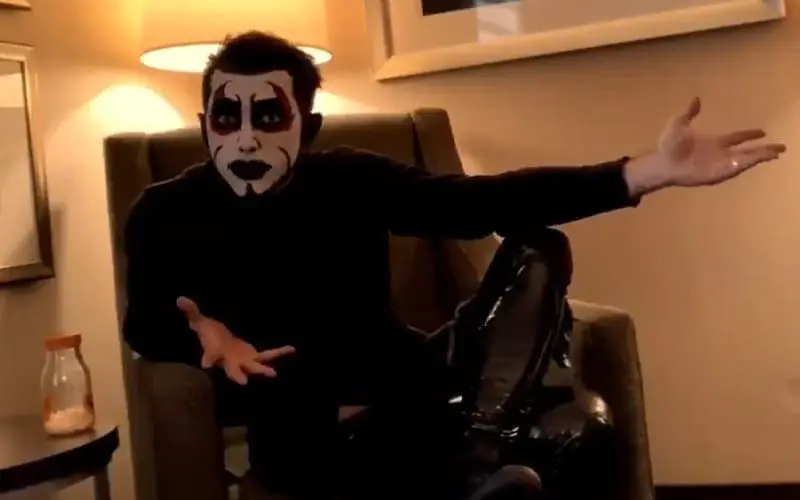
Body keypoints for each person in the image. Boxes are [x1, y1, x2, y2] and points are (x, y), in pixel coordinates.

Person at [121, 30, 785, 500]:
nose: (245, 138)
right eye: (227, 116)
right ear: (204, 121)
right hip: (303, 420)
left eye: (269, 116)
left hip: (412, 379)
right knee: (574, 429)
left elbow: (479, 202)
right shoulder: (164, 209)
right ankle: (480, 449)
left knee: (538, 248)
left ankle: (481, 436)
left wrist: (642, 173)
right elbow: (144, 322)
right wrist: (202, 332)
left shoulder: (348, 177)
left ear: (308, 128)